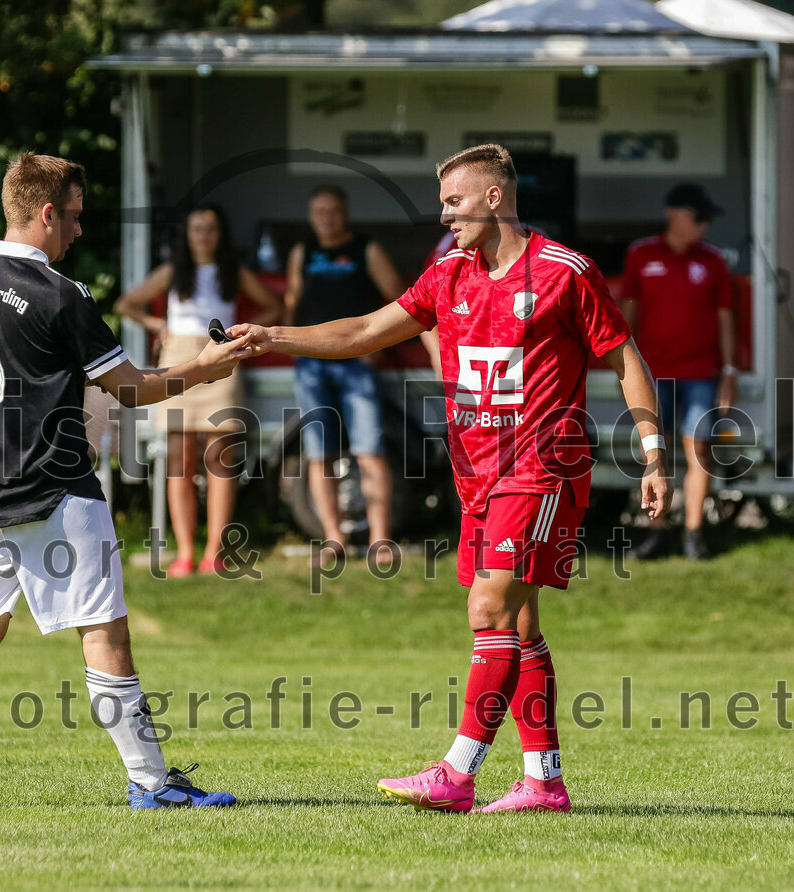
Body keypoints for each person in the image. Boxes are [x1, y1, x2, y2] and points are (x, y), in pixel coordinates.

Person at [232, 145, 672, 814]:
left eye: (455, 202)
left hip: (542, 469)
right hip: (479, 480)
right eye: (442, 204)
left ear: (495, 198)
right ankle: (543, 782)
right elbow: (366, 331)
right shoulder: (449, 273)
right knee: (519, 624)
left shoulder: (564, 272)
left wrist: (654, 451)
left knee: (489, 609)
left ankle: (457, 771)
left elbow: (626, 358)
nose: (445, 217)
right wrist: (274, 336)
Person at [0, 152, 253, 808]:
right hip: (56, 487)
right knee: (104, 633)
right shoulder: (61, 296)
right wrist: (206, 368)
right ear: (44, 213)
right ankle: (153, 785)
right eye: (71, 217)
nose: (76, 230)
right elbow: (129, 390)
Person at [115, 203, 281, 577]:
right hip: (177, 361)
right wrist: (157, 323)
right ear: (186, 235)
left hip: (219, 360)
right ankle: (185, 553)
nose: (203, 235)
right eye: (196, 229)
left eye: (209, 228)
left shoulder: (233, 272)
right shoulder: (172, 272)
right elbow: (125, 305)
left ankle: (213, 554)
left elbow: (274, 307)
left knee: (220, 462)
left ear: (219, 234)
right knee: (179, 464)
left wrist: (240, 336)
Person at [286, 185, 405, 564]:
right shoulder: (302, 252)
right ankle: (333, 539)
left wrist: (382, 346)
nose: (327, 217)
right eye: (320, 211)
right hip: (311, 365)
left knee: (370, 452)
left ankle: (380, 540)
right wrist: (287, 348)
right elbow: (292, 302)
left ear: (345, 213)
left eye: (334, 210)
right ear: (311, 216)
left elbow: (400, 299)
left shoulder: (366, 250)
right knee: (320, 455)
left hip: (358, 363)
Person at [621, 183, 737, 560]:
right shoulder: (641, 255)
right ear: (676, 215)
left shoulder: (713, 260)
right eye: (698, 218)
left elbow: (725, 319)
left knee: (698, 447)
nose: (703, 227)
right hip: (654, 373)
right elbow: (628, 314)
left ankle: (693, 533)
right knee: (656, 449)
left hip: (702, 372)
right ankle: (657, 530)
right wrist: (623, 364)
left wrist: (730, 370)